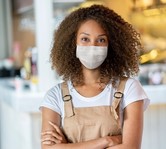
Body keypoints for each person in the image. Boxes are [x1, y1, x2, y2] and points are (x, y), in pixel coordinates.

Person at [40, 4, 150, 149]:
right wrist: (106, 141)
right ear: (73, 43)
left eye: (101, 40)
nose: (93, 46)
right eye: (85, 39)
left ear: (112, 45)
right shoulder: (55, 96)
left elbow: (130, 147)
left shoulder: (129, 88)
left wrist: (66, 146)